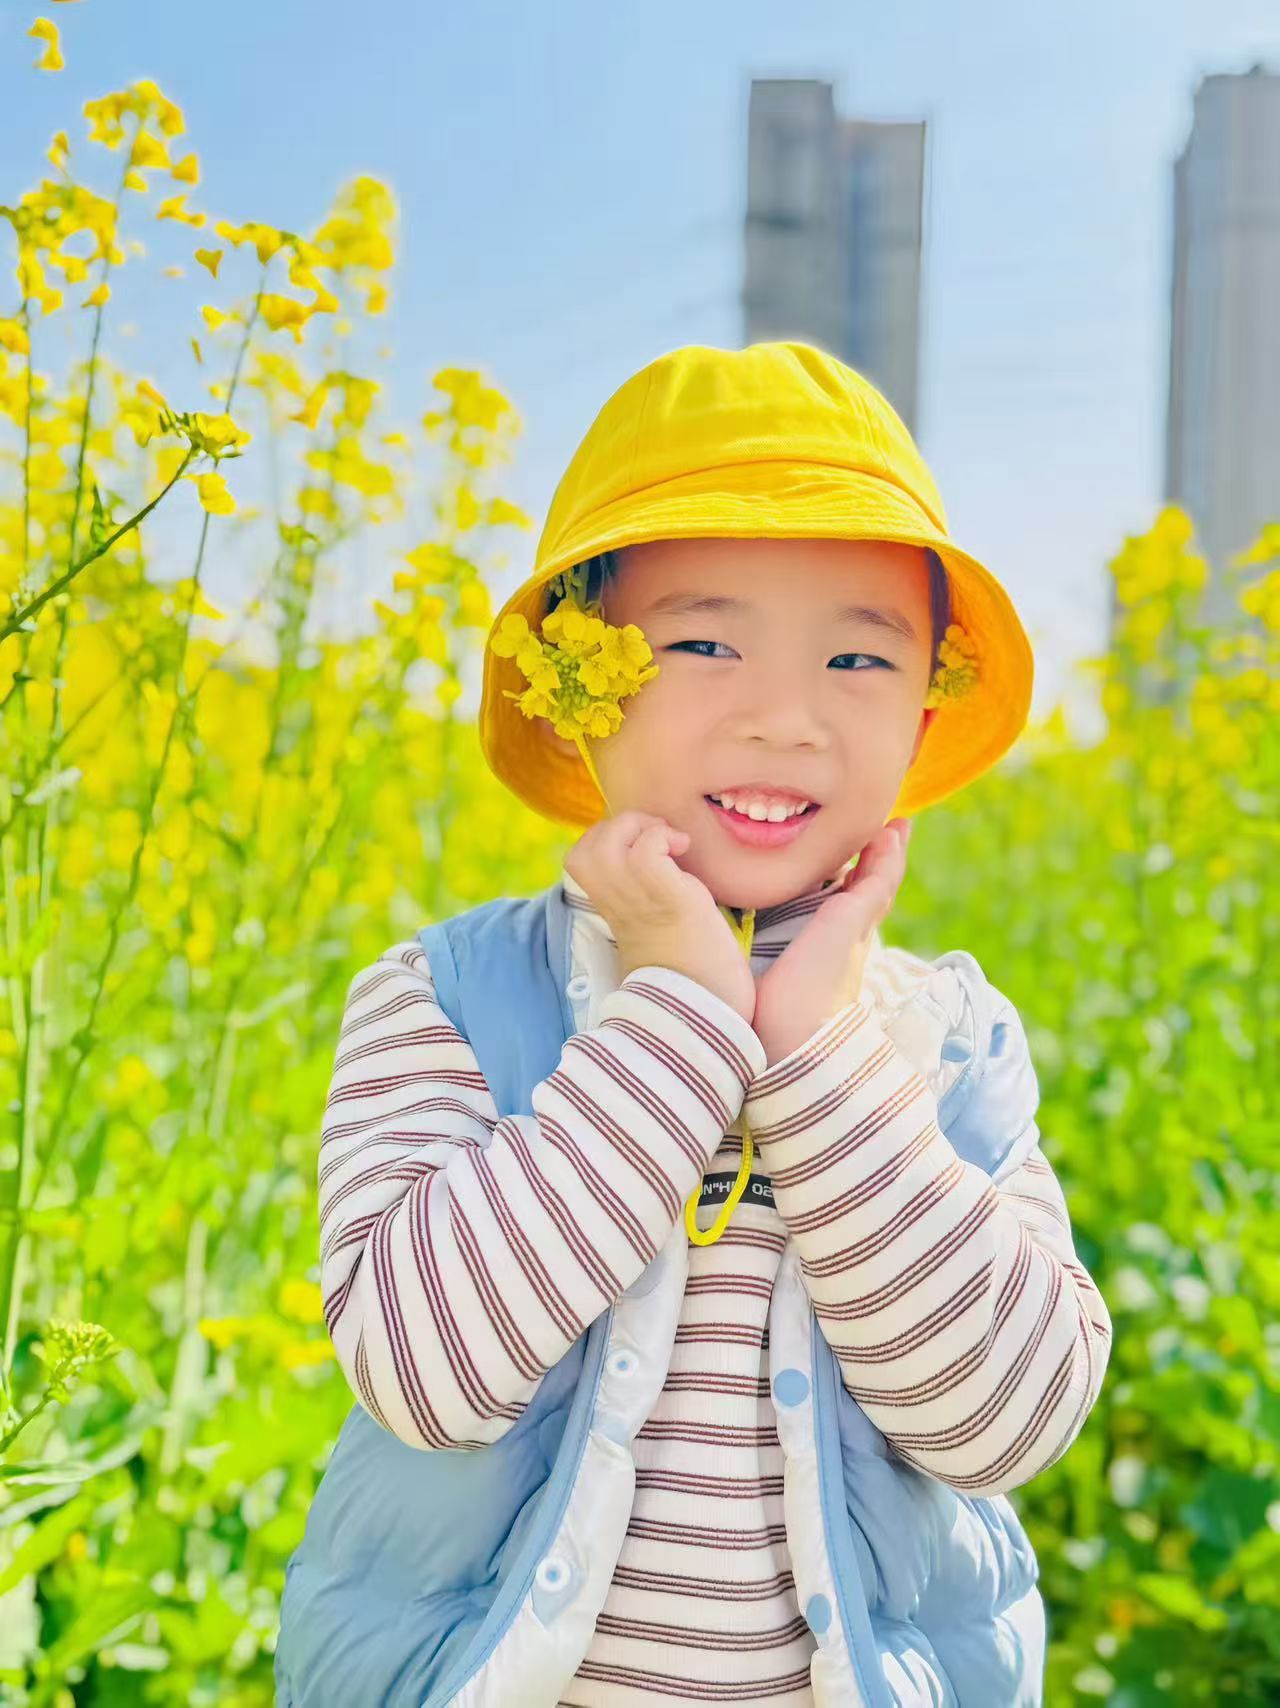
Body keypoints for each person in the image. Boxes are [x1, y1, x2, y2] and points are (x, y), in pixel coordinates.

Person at [275, 341, 1113, 1708]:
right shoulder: (448, 996)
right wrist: (676, 1011)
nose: (785, 719)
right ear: (578, 682)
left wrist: (812, 1048)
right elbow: (426, 1374)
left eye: (858, 656)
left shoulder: (946, 1038)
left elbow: (1005, 1418)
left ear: (923, 709)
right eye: (705, 643)